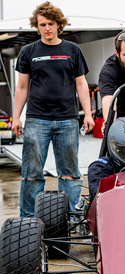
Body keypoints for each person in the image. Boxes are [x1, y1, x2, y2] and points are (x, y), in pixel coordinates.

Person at [12, 1, 95, 217]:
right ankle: (27, 222)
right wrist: (16, 118)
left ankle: (70, 218)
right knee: (31, 173)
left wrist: (87, 113)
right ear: (37, 26)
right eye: (42, 24)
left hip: (67, 120)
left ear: (59, 25)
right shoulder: (28, 51)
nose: (47, 28)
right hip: (36, 120)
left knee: (69, 173)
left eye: (51, 24)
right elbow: (21, 87)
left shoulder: (72, 50)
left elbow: (81, 84)